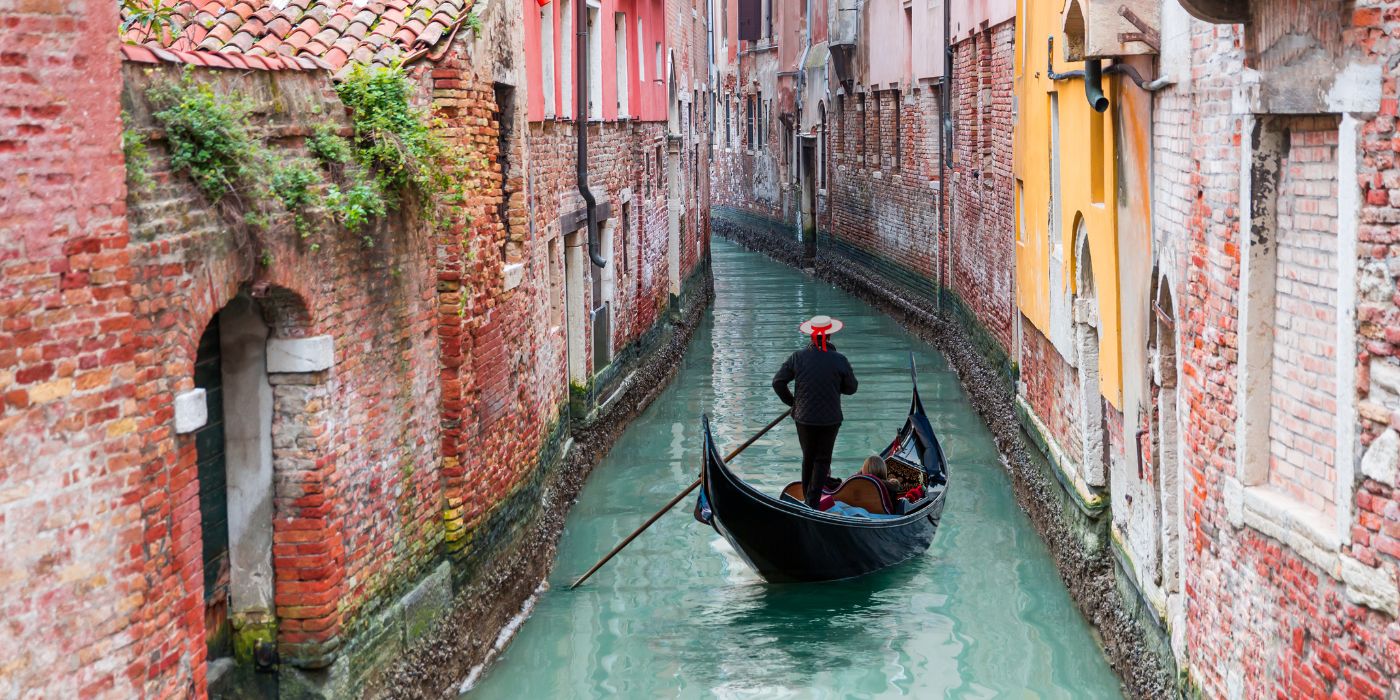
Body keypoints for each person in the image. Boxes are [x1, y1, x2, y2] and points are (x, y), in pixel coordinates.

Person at [772, 315, 859, 508]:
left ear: (812, 336)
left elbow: (778, 382)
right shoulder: (839, 359)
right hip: (830, 419)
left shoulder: (798, 357)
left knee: (808, 458)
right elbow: (852, 388)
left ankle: (807, 499)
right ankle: (811, 503)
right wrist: (836, 385)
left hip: (803, 417)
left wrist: (793, 403)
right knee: (822, 460)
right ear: (828, 335)